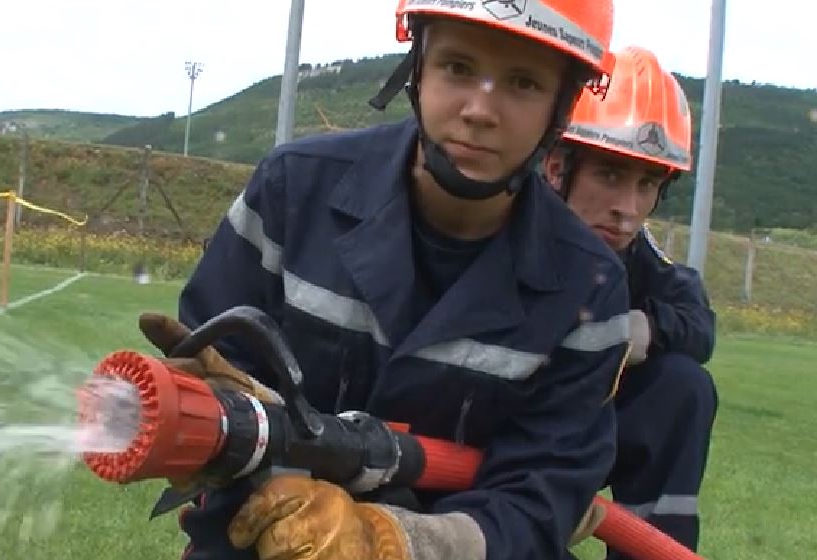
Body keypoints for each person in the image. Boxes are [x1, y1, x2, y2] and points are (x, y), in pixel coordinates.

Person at [139, 2, 632, 558]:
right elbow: (214, 383)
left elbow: (543, 497)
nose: (479, 110)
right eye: (458, 68)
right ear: (417, 67)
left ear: (562, 108)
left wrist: (397, 542)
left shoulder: (587, 287)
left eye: (522, 83)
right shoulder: (293, 192)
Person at [541, 46, 719, 558]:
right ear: (556, 167)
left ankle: (654, 548)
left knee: (683, 385)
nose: (628, 209)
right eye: (610, 176)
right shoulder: (503, 234)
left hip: (577, 432)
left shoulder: (636, 255)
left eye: (647, 185)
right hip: (488, 443)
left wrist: (644, 328)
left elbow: (697, 321)